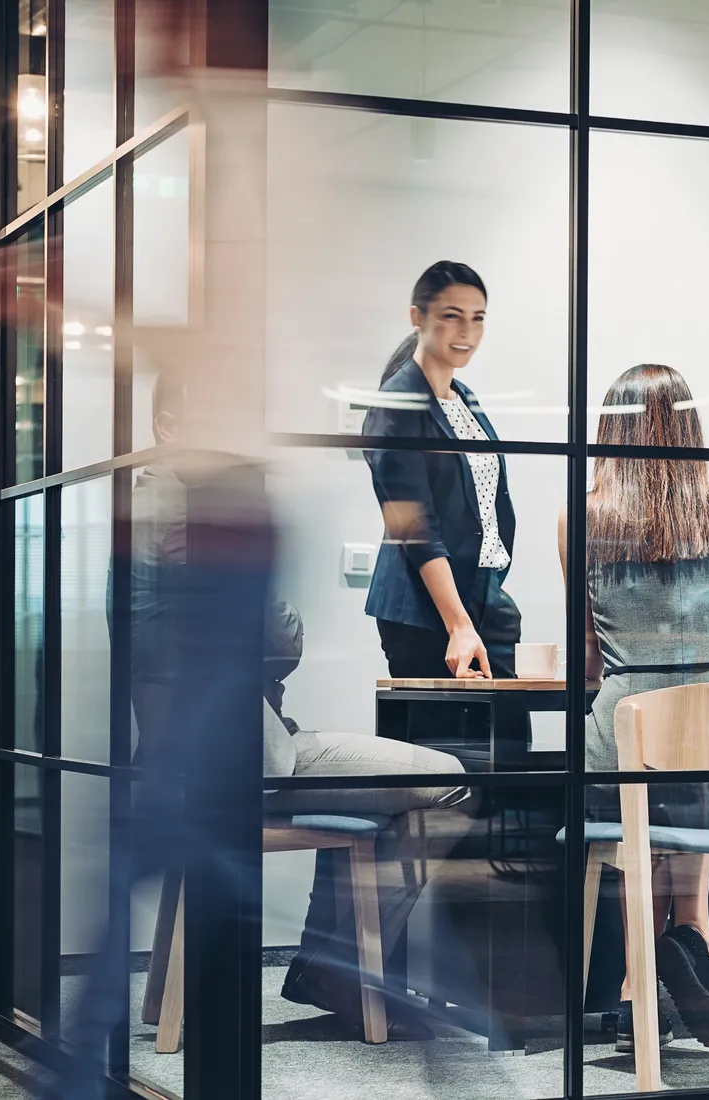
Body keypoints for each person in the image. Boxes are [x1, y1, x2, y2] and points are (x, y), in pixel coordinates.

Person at [133, 370, 472, 1041]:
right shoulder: (189, 513)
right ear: (169, 427)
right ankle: (335, 965)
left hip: (180, 763)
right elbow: (281, 636)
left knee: (368, 789)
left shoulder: (144, 509)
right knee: (453, 782)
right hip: (251, 762)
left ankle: (328, 964)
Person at [558, 364, 709, 1058]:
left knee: (640, 786)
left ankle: (632, 984)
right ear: (691, 429)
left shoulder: (582, 514)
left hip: (631, 752)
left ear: (609, 432)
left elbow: (588, 655)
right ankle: (693, 933)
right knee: (688, 770)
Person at [365, 260, 521, 681]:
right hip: (426, 608)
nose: (466, 332)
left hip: (484, 592)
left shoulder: (464, 398)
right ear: (418, 318)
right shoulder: (396, 405)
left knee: (506, 740)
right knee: (441, 744)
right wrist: (458, 623)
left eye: (478, 318)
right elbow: (417, 528)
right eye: (452, 316)